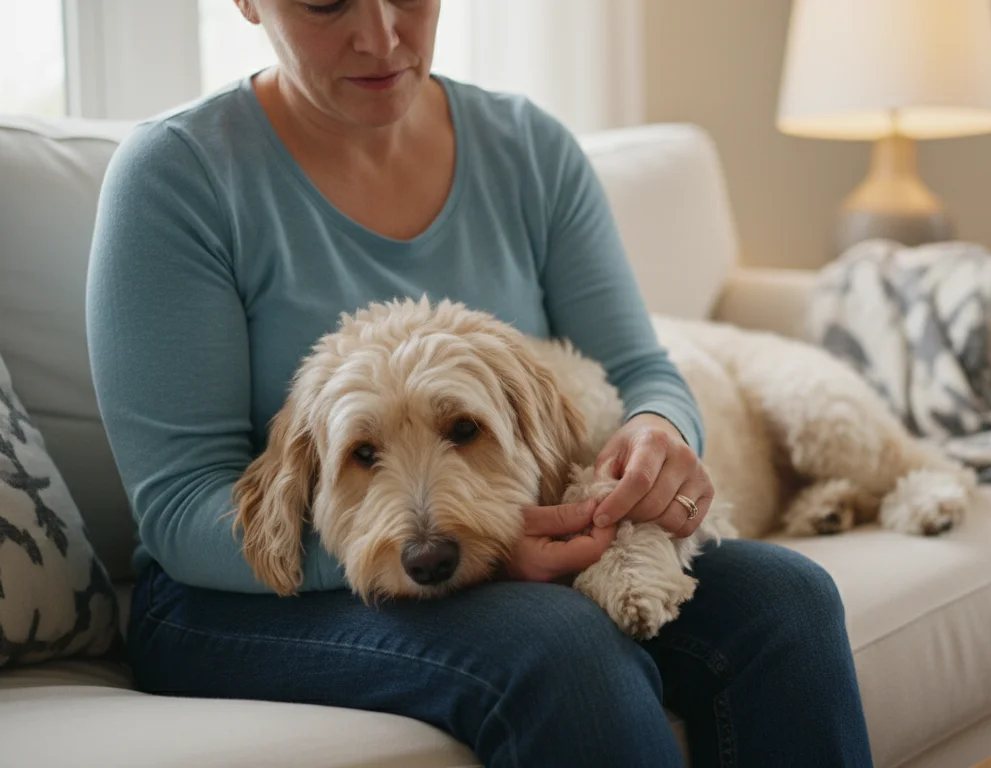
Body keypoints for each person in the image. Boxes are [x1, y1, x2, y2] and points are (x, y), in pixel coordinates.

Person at [85, 1, 875, 765]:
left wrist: (660, 436)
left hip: (516, 539)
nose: (380, 35)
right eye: (326, 3)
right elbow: (181, 506)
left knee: (787, 600)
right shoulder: (176, 176)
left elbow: (640, 373)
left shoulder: (528, 148)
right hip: (236, 588)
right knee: (560, 645)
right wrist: (468, 551)